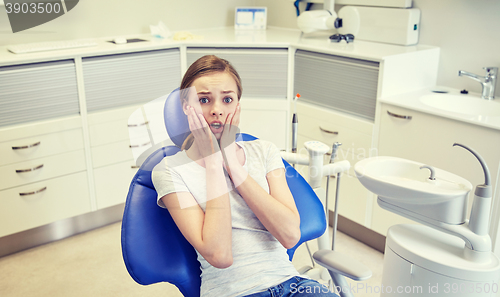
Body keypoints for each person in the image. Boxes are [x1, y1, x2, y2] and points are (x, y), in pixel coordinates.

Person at [152, 55, 339, 297]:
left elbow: (290, 235)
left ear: (237, 106)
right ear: (187, 107)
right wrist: (212, 163)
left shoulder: (264, 151)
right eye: (204, 100)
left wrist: (232, 164)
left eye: (227, 99)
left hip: (292, 285)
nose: (217, 110)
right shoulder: (169, 170)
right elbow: (220, 255)